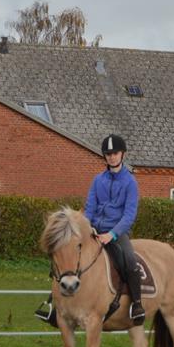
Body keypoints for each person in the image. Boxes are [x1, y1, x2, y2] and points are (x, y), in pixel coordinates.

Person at [36, 133, 146, 327]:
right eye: (108, 153)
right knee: (66, 255)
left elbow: (129, 215)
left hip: (117, 234)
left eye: (115, 153)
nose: (111, 156)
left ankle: (137, 305)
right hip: (94, 231)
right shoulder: (98, 180)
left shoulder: (130, 183)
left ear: (123, 154)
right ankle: (55, 306)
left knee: (129, 261)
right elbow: (90, 206)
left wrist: (111, 234)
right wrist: (89, 228)